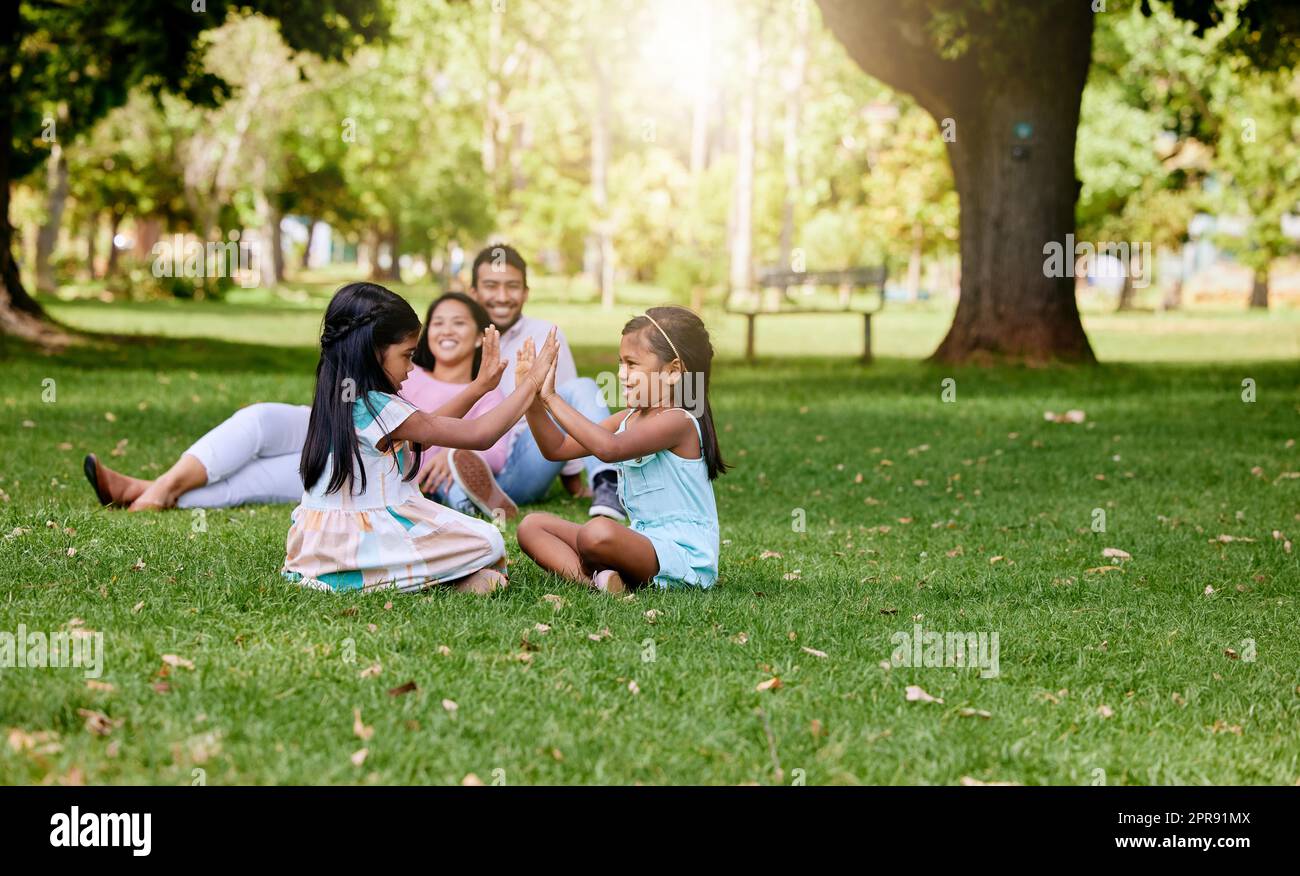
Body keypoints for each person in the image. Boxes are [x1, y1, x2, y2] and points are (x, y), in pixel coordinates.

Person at [281, 281, 558, 595]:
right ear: (374, 351)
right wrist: (533, 382)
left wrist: (479, 387)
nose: (411, 367)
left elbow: (426, 431)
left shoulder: (341, 397)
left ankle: (433, 579)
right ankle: (386, 579)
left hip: (322, 545)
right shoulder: (377, 406)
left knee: (471, 539)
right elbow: (481, 434)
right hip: (362, 543)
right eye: (407, 355)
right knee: (489, 541)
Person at [516, 306, 727, 593]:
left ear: (673, 371)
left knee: (598, 532)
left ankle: (606, 575)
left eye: (632, 364)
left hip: (683, 555)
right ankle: (600, 583)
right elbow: (557, 448)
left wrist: (551, 397)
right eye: (620, 363)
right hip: (640, 540)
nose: (621, 374)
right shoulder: (629, 417)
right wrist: (532, 400)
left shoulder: (679, 421)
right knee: (532, 526)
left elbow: (609, 449)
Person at [466, 243, 626, 520]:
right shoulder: (457, 334)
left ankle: (606, 482)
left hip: (525, 462)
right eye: (491, 285)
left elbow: (568, 413)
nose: (502, 296)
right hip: (470, 458)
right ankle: (466, 494)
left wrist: (573, 483)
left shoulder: (544, 335)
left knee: (582, 387)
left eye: (512, 286)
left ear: (526, 292)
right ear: (473, 292)